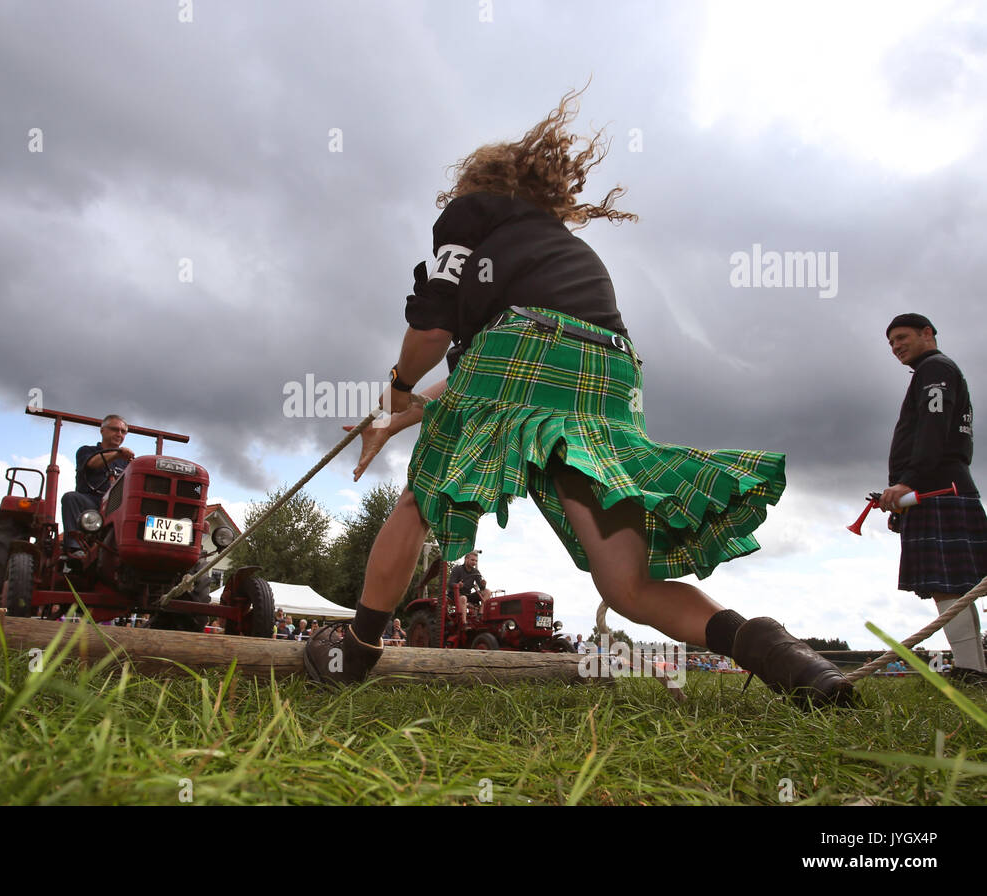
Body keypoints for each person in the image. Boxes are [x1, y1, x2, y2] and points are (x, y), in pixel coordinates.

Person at [303, 90, 852, 706]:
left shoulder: (471, 215)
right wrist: (396, 417)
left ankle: (354, 649)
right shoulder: (557, 249)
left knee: (423, 498)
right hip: (609, 371)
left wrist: (397, 388)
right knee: (627, 587)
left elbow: (437, 332)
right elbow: (481, 383)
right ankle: (780, 655)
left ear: (478, 184)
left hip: (523, 353)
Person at [881, 313, 987, 683]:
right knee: (957, 582)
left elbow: (934, 427)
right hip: (941, 485)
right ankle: (973, 667)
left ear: (928, 333)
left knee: (951, 581)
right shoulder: (934, 371)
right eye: (891, 342)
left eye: (902, 337)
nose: (896, 346)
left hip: (939, 486)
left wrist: (908, 482)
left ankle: (972, 669)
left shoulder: (935, 369)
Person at [61, 415, 134, 554]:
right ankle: (74, 548)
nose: (119, 434)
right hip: (91, 501)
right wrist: (118, 454)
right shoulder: (86, 451)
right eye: (114, 429)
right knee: (71, 498)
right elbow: (93, 463)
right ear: (102, 431)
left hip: (116, 505)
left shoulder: (127, 462)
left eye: (123, 432)